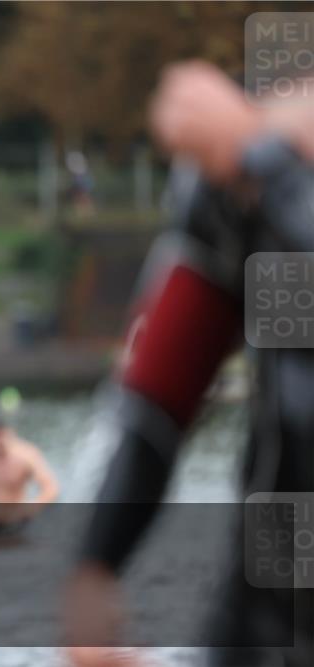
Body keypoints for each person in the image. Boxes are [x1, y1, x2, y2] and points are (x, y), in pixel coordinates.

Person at [65, 62, 314, 667]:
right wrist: (96, 568)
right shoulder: (254, 163)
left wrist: (263, 163)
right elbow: (159, 393)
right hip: (270, 595)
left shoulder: (263, 157)